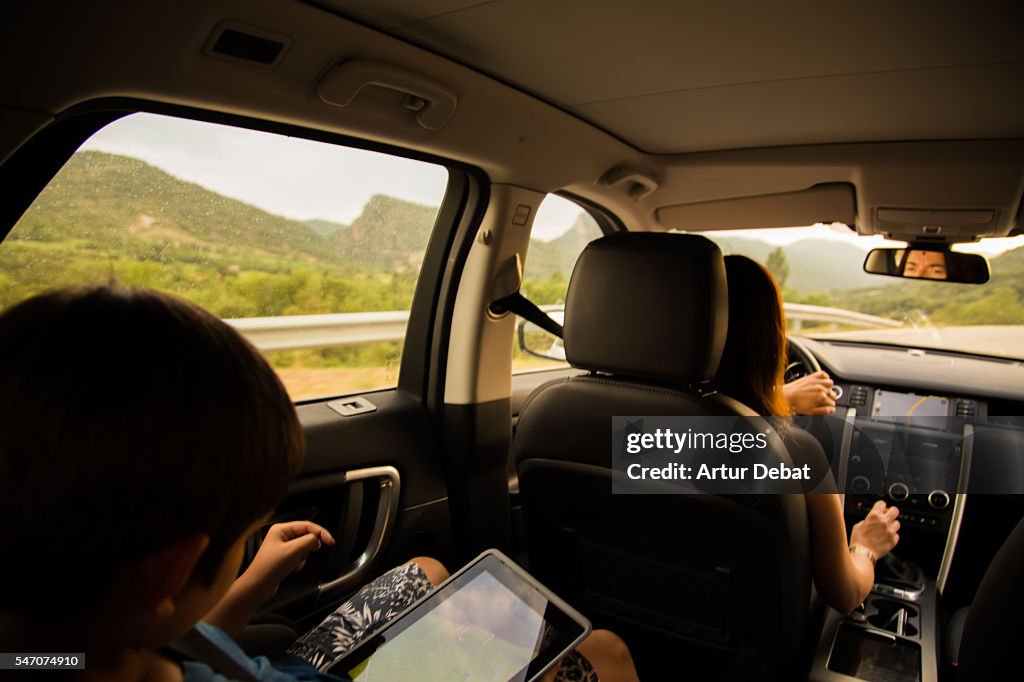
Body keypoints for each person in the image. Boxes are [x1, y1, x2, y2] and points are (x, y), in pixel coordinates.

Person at [0, 284, 639, 682]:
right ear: (166, 575)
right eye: (243, 537)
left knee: (428, 572)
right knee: (604, 652)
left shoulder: (51, 649)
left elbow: (159, 639)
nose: (248, 546)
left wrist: (251, 584)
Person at [715, 256, 901, 613]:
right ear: (768, 337)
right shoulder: (796, 452)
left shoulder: (622, 425)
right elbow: (845, 594)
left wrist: (778, 397)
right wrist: (865, 546)